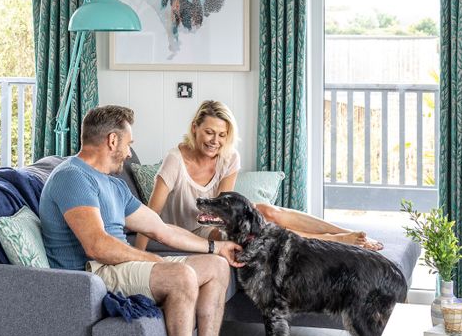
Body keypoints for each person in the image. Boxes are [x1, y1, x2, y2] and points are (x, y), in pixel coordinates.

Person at [39, 105, 243, 336]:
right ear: (112, 140)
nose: (130, 152)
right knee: (181, 276)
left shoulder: (113, 186)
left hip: (119, 267)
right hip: (93, 274)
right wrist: (156, 263)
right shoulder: (71, 177)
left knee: (217, 268)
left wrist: (215, 247)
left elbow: (162, 230)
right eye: (128, 143)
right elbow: (97, 245)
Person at [137, 100, 383, 251]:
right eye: (209, 133)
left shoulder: (229, 157)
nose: (215, 141)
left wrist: (248, 215)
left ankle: (342, 231)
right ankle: (338, 240)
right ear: (195, 128)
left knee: (267, 211)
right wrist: (139, 257)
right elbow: (149, 214)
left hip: (213, 219)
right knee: (260, 230)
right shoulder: (175, 160)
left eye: (222, 135)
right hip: (189, 231)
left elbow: (224, 207)